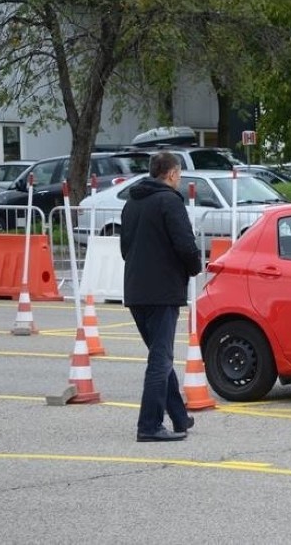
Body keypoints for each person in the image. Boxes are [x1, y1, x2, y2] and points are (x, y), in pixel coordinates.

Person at [120, 151, 202, 442]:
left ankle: (179, 417)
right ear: (171, 174)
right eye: (179, 174)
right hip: (163, 290)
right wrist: (194, 268)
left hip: (135, 291)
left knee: (159, 355)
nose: (179, 179)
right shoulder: (170, 201)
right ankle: (149, 425)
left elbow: (124, 249)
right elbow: (185, 244)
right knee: (161, 359)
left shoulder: (132, 202)